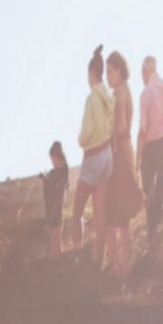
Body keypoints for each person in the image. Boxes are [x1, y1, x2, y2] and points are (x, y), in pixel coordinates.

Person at [72, 45, 115, 261]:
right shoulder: (108, 97)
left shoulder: (91, 99)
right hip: (108, 155)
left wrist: (80, 140)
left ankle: (74, 255)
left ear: (91, 74)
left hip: (93, 156)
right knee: (100, 212)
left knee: (77, 208)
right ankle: (100, 258)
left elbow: (86, 132)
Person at [105, 50, 145, 277]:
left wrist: (108, 141)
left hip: (119, 151)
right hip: (125, 150)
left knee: (113, 212)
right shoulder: (125, 90)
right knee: (122, 218)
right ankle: (124, 266)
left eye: (110, 71)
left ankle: (115, 266)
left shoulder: (119, 92)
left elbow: (119, 126)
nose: (108, 76)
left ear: (119, 70)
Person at [135, 56, 163, 263]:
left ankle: (153, 252)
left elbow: (142, 130)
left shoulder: (146, 93)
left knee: (151, 201)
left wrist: (137, 160)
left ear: (145, 71)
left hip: (151, 149)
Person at [43, 142, 70, 255]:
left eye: (54, 158)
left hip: (57, 211)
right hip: (50, 209)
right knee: (54, 245)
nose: (53, 161)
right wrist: (45, 180)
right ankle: (58, 264)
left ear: (58, 157)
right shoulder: (53, 173)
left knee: (57, 244)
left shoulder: (63, 175)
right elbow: (48, 192)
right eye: (52, 159)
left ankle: (60, 265)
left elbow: (61, 194)